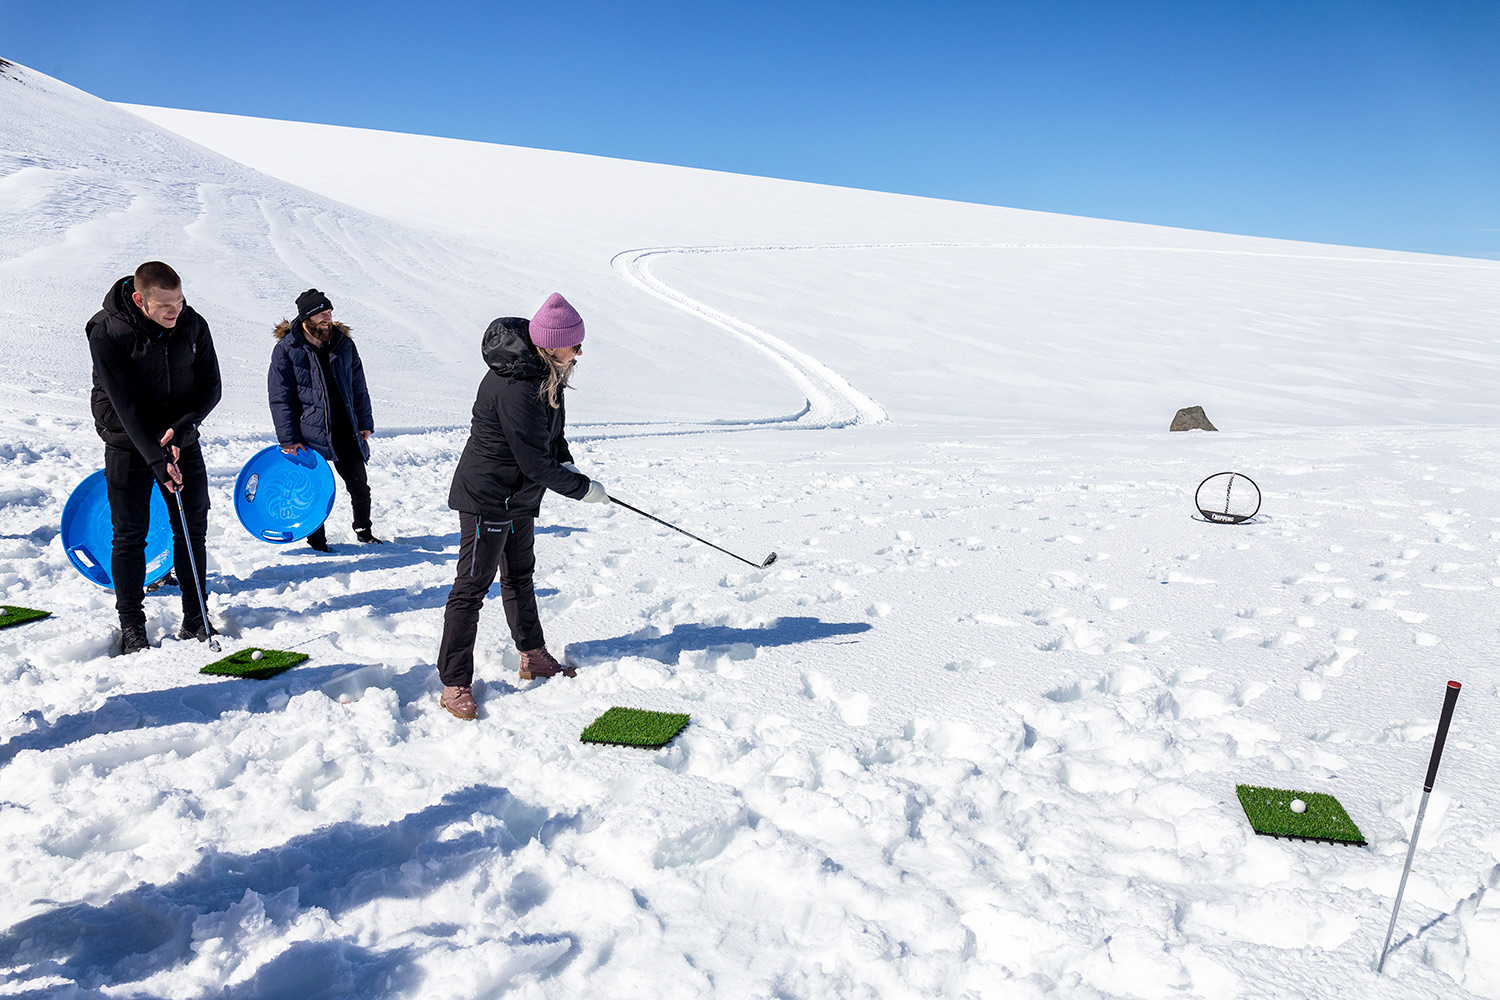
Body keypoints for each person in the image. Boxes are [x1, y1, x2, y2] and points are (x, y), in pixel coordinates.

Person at [436, 292, 609, 720]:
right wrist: (582, 488)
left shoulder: (546, 373)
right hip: (488, 496)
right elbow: (534, 463)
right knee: (471, 588)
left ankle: (532, 655)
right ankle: (454, 682)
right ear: (551, 343)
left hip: (518, 497)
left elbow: (551, 437)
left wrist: (567, 462)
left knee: (519, 576)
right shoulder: (517, 385)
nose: (579, 352)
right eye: (574, 344)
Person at [86, 261, 222, 653]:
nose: (174, 311)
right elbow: (124, 404)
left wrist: (183, 430)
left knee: (192, 528)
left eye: (178, 301)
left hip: (179, 438)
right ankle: (132, 625)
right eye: (164, 306)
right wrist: (157, 459)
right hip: (127, 442)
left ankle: (196, 617)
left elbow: (211, 387)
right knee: (130, 535)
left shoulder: (193, 324)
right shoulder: (106, 330)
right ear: (139, 300)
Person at [268, 288, 383, 551]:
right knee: (314, 490)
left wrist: (365, 422)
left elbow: (359, 387)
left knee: (359, 487)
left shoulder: (344, 344)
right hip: (309, 433)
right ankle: (317, 541)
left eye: (329, 312)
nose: (327, 318)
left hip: (346, 429)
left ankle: (364, 531)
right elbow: (280, 397)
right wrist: (289, 438)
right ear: (306, 318)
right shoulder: (287, 349)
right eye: (321, 313)